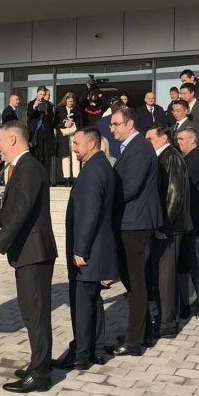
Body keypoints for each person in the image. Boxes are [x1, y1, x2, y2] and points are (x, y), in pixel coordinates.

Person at [0, 121, 57, 393]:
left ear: (12, 140)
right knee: (31, 313)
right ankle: (38, 363)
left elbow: (20, 212)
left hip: (35, 253)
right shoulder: (21, 168)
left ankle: (40, 374)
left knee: (36, 314)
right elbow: (8, 213)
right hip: (28, 252)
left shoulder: (29, 168)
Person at [54, 127, 117, 370]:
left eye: (77, 143)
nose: (73, 148)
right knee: (93, 300)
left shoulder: (93, 170)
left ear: (91, 144)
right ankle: (97, 350)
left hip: (89, 249)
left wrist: (80, 249)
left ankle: (81, 355)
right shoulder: (102, 165)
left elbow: (89, 213)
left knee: (82, 302)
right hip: (98, 247)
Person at [110, 106, 162, 356]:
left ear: (129, 124)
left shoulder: (139, 147)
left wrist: (104, 198)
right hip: (130, 222)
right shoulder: (130, 148)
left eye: (116, 124)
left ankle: (133, 341)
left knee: (136, 281)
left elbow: (129, 188)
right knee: (132, 280)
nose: (112, 129)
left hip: (136, 223)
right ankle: (144, 332)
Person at [144, 124, 192, 338]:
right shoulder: (164, 156)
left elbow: (174, 195)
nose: (147, 143)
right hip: (167, 226)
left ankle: (167, 324)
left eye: (150, 138)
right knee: (161, 275)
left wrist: (163, 225)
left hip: (170, 228)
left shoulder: (170, 157)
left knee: (166, 277)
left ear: (163, 138)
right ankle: (164, 317)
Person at [176, 127, 199, 314]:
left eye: (182, 139)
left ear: (192, 140)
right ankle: (188, 300)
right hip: (188, 217)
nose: (178, 142)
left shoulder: (195, 160)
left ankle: (191, 300)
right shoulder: (188, 158)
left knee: (188, 259)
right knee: (187, 258)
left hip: (190, 217)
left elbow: (186, 187)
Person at [27, 86, 56, 184]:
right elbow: (30, 115)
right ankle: (36, 179)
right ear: (37, 94)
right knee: (36, 156)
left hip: (46, 134)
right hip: (36, 134)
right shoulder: (31, 103)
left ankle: (46, 179)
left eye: (44, 94)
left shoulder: (49, 104)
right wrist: (34, 107)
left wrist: (47, 112)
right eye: (40, 94)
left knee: (47, 157)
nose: (42, 96)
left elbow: (52, 120)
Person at [55, 92, 80, 185]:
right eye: (69, 101)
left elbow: (80, 123)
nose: (70, 103)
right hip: (64, 136)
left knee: (76, 156)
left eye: (72, 101)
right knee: (65, 157)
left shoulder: (77, 110)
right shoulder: (59, 110)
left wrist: (74, 122)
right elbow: (55, 124)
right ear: (65, 101)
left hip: (75, 135)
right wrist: (64, 124)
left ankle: (76, 178)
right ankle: (67, 179)